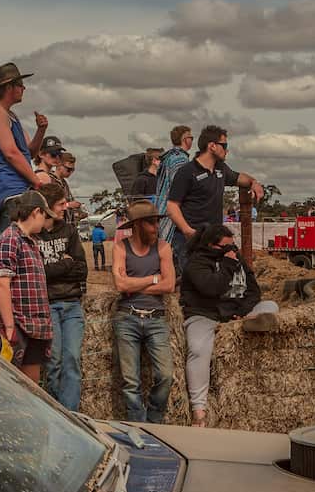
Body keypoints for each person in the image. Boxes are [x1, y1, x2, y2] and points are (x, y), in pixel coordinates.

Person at [180, 225, 279, 427]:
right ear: (210, 245)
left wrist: (242, 311)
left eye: (232, 245)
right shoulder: (197, 263)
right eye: (225, 246)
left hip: (237, 313)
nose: (231, 249)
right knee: (199, 350)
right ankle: (199, 410)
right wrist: (227, 264)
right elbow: (211, 288)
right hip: (205, 314)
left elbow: (253, 291)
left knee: (271, 306)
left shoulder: (236, 258)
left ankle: (250, 323)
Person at [165, 126, 265, 271]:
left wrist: (254, 182)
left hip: (214, 239)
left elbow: (239, 178)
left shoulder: (221, 168)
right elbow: (172, 205)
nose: (227, 150)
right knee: (195, 283)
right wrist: (187, 231)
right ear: (212, 146)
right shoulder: (187, 172)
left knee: (220, 279)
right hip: (191, 239)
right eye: (224, 146)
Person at [112, 201, 175, 423]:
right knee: (131, 381)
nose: (156, 227)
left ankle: (154, 420)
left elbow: (169, 286)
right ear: (137, 225)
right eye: (151, 223)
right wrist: (153, 278)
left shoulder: (163, 247)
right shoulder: (121, 247)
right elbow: (120, 286)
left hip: (155, 318)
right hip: (127, 317)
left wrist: (134, 283)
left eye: (157, 222)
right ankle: (137, 425)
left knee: (166, 375)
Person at [0, 190, 53, 382]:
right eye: (44, 215)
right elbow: (1, 284)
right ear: (36, 212)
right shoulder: (11, 240)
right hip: (18, 325)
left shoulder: (30, 241)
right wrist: (9, 326)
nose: (45, 221)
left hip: (33, 326)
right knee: (9, 382)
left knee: (32, 385)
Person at [34, 183, 88, 410]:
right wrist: (65, 264)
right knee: (53, 362)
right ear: (47, 207)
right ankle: (57, 411)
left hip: (72, 304)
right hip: (48, 304)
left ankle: (71, 414)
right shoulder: (34, 235)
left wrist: (55, 269)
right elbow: (37, 274)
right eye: (61, 204)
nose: (66, 207)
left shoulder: (69, 231)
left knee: (72, 360)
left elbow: (82, 269)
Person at [0, 62, 48, 231]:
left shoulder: (9, 115)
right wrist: (37, 182)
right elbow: (10, 153)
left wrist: (41, 130)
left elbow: (29, 152)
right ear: (9, 87)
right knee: (12, 247)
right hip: (10, 191)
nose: (24, 88)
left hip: (19, 190)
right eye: (20, 85)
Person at [154, 125, 195, 265]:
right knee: (181, 256)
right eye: (191, 137)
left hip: (164, 209)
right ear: (185, 139)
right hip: (174, 212)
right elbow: (180, 187)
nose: (192, 140)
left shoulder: (168, 157)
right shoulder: (181, 160)